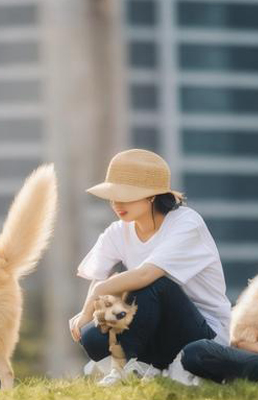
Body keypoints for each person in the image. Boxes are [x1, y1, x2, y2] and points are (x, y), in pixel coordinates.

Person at [68, 149, 231, 385]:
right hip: (153, 326)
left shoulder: (186, 223)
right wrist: (88, 314)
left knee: (153, 284)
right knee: (91, 335)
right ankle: (145, 368)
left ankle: (122, 369)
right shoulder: (118, 231)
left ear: (152, 196)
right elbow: (98, 275)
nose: (117, 203)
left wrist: (95, 296)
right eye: (113, 195)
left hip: (203, 336)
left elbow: (146, 275)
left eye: (126, 195)